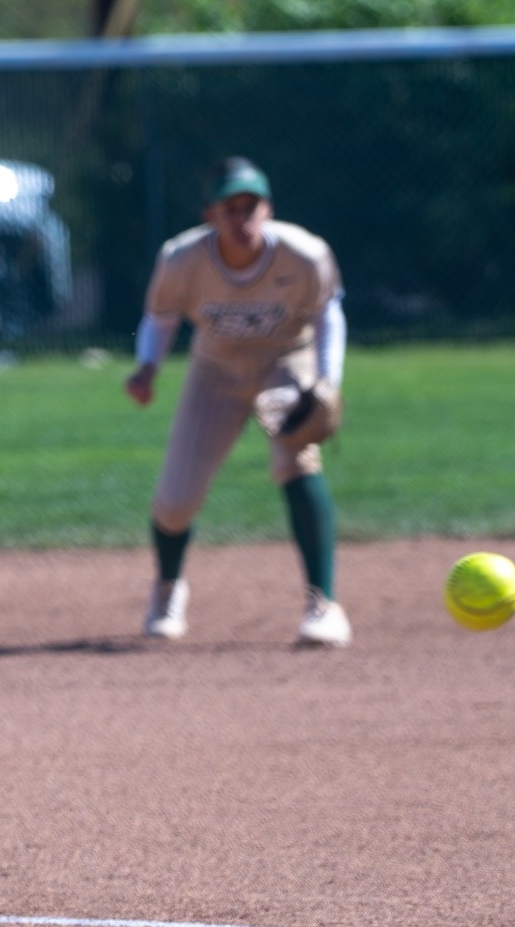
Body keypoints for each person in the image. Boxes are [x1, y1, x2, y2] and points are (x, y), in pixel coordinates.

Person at [125, 157, 352, 647]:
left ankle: (323, 604)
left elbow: (328, 315)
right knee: (175, 499)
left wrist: (328, 381)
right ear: (210, 213)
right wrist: (147, 368)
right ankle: (167, 589)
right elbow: (161, 318)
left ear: (267, 208)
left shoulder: (304, 254)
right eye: (231, 207)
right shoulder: (181, 259)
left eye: (251, 206)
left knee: (295, 458)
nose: (242, 218)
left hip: (285, 361)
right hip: (214, 369)